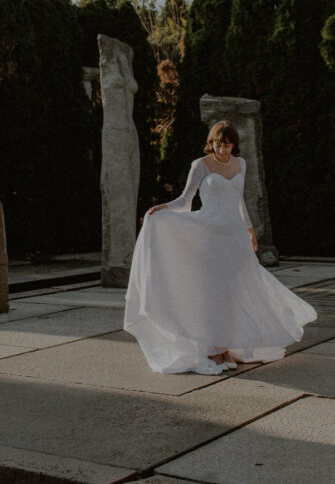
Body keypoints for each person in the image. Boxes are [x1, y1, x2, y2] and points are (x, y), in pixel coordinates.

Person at [125, 120, 317, 375]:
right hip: (208, 234)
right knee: (210, 293)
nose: (221, 149)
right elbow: (185, 200)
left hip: (234, 236)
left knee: (232, 293)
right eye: (217, 143)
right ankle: (211, 349)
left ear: (233, 145)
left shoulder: (241, 164)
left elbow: (239, 201)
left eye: (226, 145)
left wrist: (249, 230)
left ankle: (226, 346)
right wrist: (162, 209)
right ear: (211, 142)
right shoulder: (201, 165)